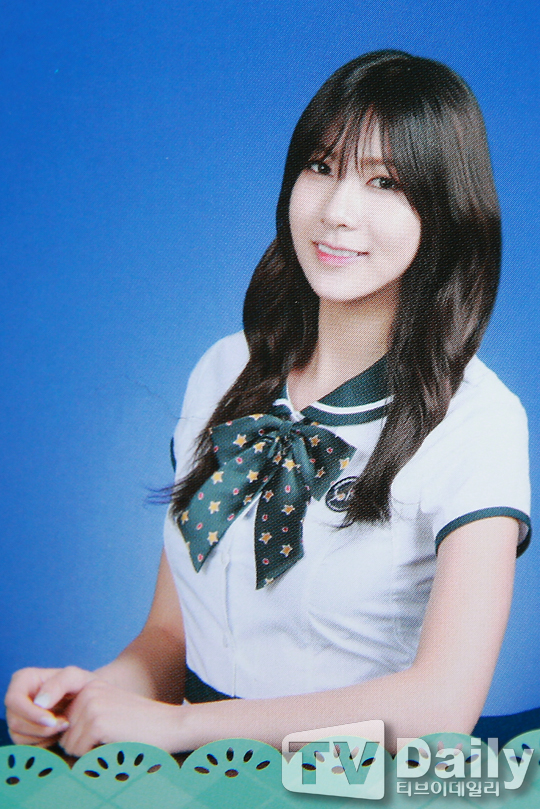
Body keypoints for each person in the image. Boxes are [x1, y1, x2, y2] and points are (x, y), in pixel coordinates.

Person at [5, 50, 531, 756]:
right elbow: (167, 639)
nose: (338, 211)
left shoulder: (478, 421)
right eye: (321, 165)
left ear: (445, 212)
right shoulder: (223, 371)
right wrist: (86, 700)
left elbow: (440, 708)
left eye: (385, 182)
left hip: (350, 785)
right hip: (195, 776)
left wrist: (180, 728)